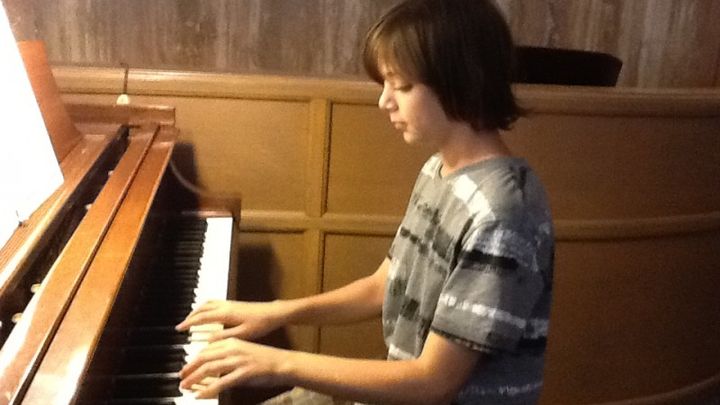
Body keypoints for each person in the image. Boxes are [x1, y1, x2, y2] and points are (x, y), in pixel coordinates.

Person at [176, 0, 554, 403]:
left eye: (402, 86)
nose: (384, 101)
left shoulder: (501, 215)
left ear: (460, 80)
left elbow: (433, 383)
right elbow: (383, 285)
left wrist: (278, 363)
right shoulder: (439, 170)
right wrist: (277, 312)